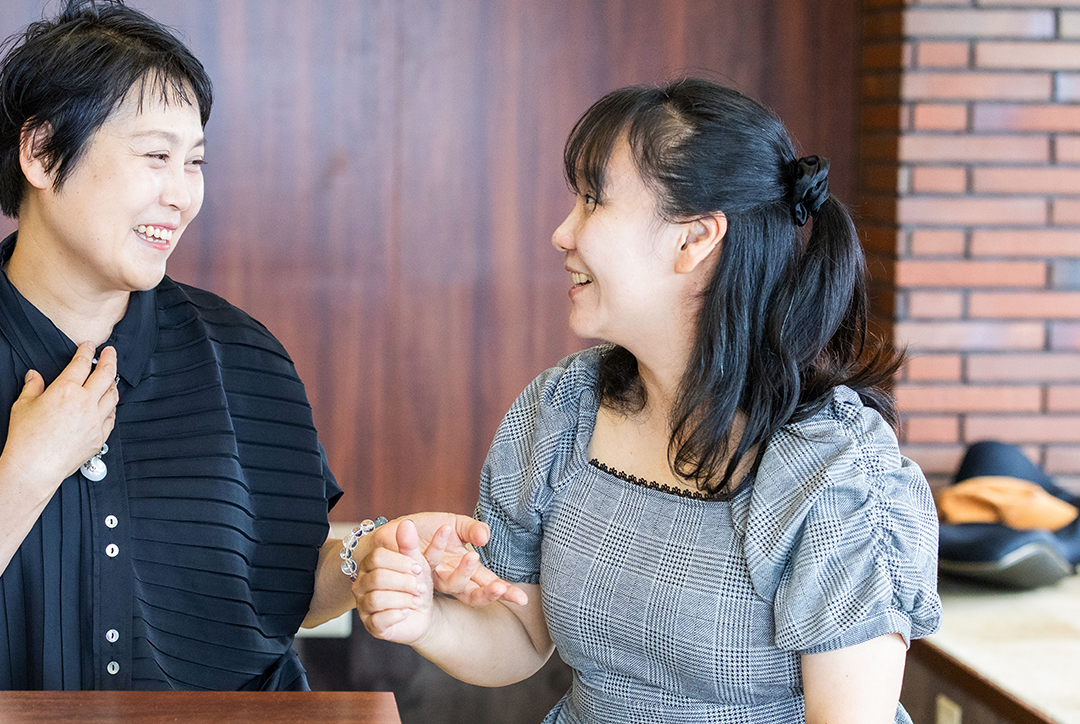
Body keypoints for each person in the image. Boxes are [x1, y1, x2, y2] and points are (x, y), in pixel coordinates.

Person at [0, 0, 513, 692]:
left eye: (195, 162)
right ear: (42, 151)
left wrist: (369, 557)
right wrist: (26, 473)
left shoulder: (245, 356)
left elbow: (283, 584)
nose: (181, 195)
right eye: (155, 157)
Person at [353, 79, 942, 722]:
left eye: (592, 201)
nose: (561, 233)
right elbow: (520, 636)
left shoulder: (834, 470)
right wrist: (422, 619)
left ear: (692, 240)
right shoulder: (563, 409)